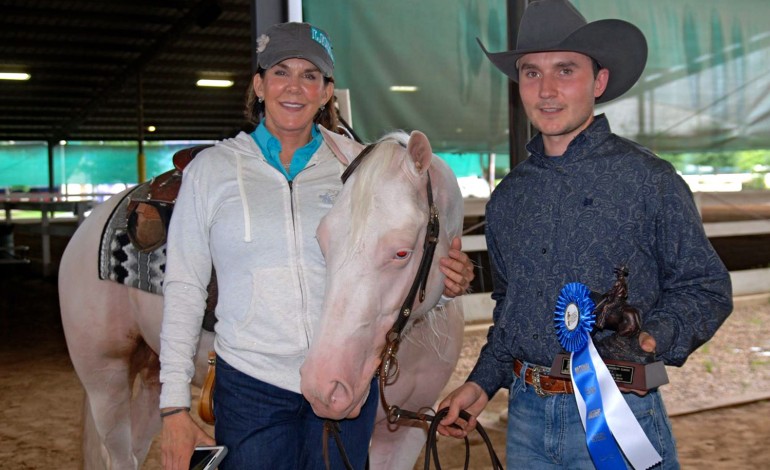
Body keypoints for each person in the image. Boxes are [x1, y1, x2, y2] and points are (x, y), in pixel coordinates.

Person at [158, 22, 475, 470]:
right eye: (281, 72)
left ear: (327, 92)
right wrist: (174, 406)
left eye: (311, 76)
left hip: (343, 380)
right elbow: (185, 287)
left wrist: (451, 278)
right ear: (259, 84)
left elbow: (405, 257)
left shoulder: (363, 167)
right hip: (251, 386)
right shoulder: (212, 171)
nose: (294, 87)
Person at [437, 1, 733, 468]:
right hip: (527, 422)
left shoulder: (648, 180)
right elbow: (511, 310)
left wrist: (648, 340)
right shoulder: (509, 197)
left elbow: (706, 287)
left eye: (565, 70)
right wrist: (480, 384)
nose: (547, 90)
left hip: (620, 416)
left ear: (599, 81)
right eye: (531, 73)